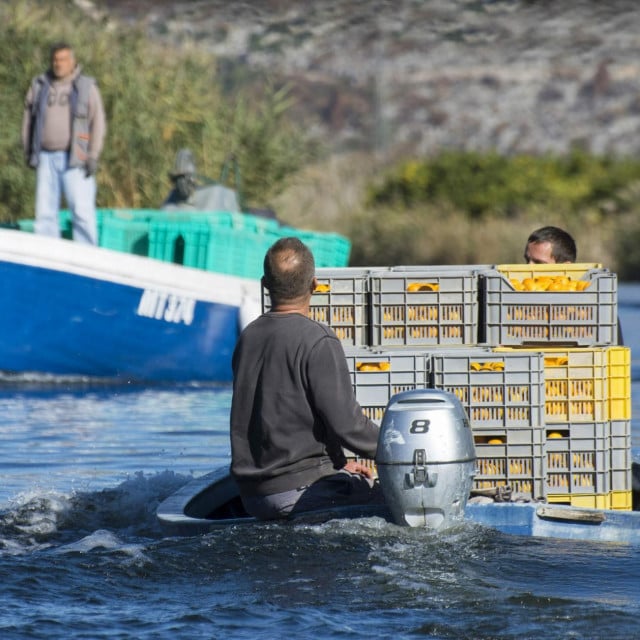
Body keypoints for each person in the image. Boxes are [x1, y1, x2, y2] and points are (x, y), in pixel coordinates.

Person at [230, 237, 383, 520]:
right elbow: (348, 426)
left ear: (265, 285)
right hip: (301, 494)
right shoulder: (318, 340)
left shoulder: (248, 337)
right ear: (314, 285)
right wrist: (399, 448)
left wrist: (337, 465)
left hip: (254, 495)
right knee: (395, 502)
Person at [22, 42, 106, 245]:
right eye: (55, 59)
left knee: (81, 210)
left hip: (76, 157)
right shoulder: (40, 85)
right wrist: (27, 150)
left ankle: (87, 257)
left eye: (63, 59)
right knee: (44, 212)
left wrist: (92, 155)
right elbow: (28, 119)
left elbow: (98, 122)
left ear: (72, 62)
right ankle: (46, 256)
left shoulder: (86, 86)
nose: (58, 64)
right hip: (45, 156)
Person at [524, 225, 623, 343]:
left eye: (539, 263)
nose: (527, 268)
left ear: (566, 267)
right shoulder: (513, 304)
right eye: (527, 260)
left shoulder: (597, 310)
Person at [161, 148, 241, 213]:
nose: (182, 184)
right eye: (178, 180)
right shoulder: (171, 201)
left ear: (193, 179)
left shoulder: (213, 195)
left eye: (185, 179)